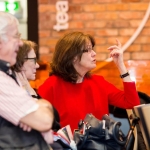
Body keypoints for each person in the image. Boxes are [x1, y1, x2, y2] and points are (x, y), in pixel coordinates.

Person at [38, 31, 140, 131]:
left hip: (100, 145)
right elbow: (38, 122)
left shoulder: (98, 82)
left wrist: (121, 65)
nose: (94, 54)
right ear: (73, 57)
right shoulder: (51, 85)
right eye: (88, 50)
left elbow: (132, 103)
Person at [0, 11, 54, 149]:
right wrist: (41, 108)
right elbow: (44, 121)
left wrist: (40, 105)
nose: (19, 43)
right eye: (15, 37)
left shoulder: (6, 74)